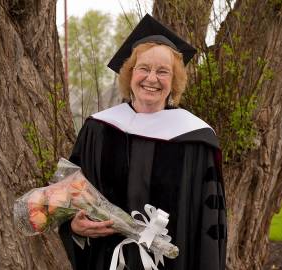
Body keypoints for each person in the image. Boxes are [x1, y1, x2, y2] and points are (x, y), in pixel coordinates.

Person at [59, 14, 226, 270]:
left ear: (174, 81)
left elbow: (208, 226)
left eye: (163, 72)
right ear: (130, 74)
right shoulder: (99, 129)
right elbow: (72, 198)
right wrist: (74, 225)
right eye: (144, 69)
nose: (151, 79)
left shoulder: (196, 140)